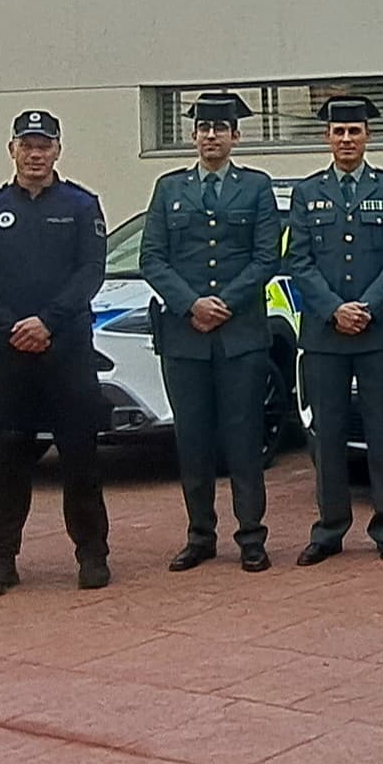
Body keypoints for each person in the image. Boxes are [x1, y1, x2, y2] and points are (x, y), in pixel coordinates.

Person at [0, 109, 111, 596]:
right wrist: (12, 326)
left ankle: (92, 555)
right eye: (27, 144)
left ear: (57, 151)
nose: (35, 153)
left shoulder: (82, 205)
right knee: (6, 459)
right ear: (12, 150)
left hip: (66, 351)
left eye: (44, 144)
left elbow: (90, 273)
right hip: (6, 354)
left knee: (80, 458)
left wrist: (47, 321)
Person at [140, 91, 281, 570]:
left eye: (220, 129)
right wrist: (190, 303)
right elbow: (152, 258)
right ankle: (200, 534)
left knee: (243, 439)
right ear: (194, 135)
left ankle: (251, 537)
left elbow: (267, 256)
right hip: (185, 336)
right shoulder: (168, 188)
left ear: (235, 136)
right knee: (193, 440)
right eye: (203, 129)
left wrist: (226, 303)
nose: (210, 137)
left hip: (240, 335)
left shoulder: (256, 187)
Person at [284, 94, 383, 564]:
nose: (346, 140)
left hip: (376, 332)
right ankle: (329, 527)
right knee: (328, 433)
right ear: (327, 138)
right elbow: (297, 260)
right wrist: (334, 309)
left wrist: (367, 306)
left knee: (382, 432)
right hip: (324, 336)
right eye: (338, 132)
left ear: (368, 136)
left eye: (354, 131)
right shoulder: (306, 192)